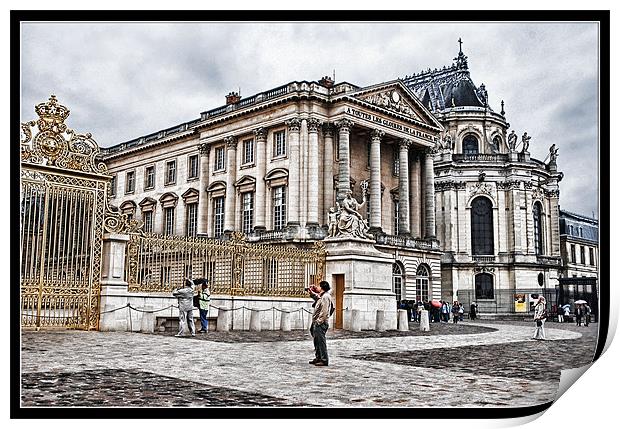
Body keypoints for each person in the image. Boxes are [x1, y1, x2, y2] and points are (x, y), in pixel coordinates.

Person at [308, 281, 334, 367]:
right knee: (317, 341)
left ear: (322, 287)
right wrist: (312, 293)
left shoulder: (326, 296)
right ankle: (318, 357)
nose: (317, 287)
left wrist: (319, 321)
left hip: (320, 323)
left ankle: (324, 360)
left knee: (321, 342)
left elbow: (324, 311)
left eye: (318, 286)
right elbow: (317, 298)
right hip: (316, 322)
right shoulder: (322, 296)